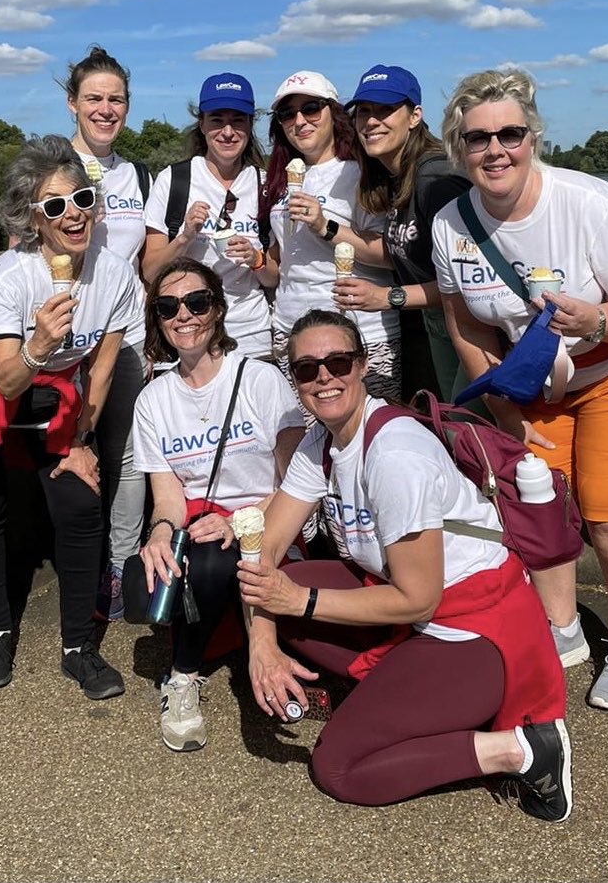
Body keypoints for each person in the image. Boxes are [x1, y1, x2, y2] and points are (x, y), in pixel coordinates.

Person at [237, 310, 572, 820]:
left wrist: (297, 601)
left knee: (339, 769)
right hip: (411, 611)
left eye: (337, 362)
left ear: (363, 364)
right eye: (307, 369)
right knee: (284, 586)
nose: (324, 377)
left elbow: (419, 597)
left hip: (473, 630)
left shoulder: (395, 456)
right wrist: (262, 646)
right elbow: (268, 552)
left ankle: (521, 748)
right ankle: (395, 694)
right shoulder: (321, 441)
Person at [432, 69, 608, 709]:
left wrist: (596, 318)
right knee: (535, 497)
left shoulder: (591, 203)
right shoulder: (450, 224)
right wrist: (498, 400)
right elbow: (462, 320)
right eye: (478, 139)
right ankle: (563, 630)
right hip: (537, 385)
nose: (495, 150)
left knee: (606, 506)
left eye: (510, 134)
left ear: (533, 136)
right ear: (458, 149)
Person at [0, 135, 137, 699]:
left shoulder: (116, 273)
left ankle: (79, 647)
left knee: (79, 510)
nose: (72, 215)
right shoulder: (9, 276)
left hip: (58, 410)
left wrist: (83, 439)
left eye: (80, 200)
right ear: (33, 217)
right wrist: (41, 343)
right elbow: (5, 379)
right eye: (54, 206)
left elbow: (100, 370)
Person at [131, 258, 305, 751]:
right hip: (200, 524)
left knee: (211, 561)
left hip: (270, 517)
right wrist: (160, 534)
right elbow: (166, 498)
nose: (183, 316)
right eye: (168, 307)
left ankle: (197, 662)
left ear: (219, 309)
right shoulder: (153, 400)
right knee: (186, 558)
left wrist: (242, 522)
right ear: (158, 321)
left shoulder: (260, 380)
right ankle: (181, 677)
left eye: (196, 302)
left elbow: (295, 478)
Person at [63, 45, 147, 622]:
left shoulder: (136, 172)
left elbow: (144, 258)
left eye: (115, 99)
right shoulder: (48, 163)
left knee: (130, 456)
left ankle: (119, 571)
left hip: (132, 332)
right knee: (74, 450)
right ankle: (76, 567)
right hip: (68, 335)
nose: (105, 108)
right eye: (94, 97)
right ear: (72, 104)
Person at [261, 69, 401, 400]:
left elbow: (390, 255)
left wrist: (325, 226)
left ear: (333, 113)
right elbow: (282, 261)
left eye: (311, 108)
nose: (299, 120)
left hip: (358, 329)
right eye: (287, 113)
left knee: (372, 433)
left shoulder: (361, 172)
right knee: (306, 442)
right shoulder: (278, 180)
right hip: (290, 328)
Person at [343, 64, 473, 403]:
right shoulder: (392, 178)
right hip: (432, 330)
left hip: (470, 333)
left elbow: (468, 282)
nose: (371, 121)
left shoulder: (436, 179)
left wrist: (386, 297)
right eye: (364, 112)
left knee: (469, 432)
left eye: (385, 110)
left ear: (414, 116)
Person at [142, 73, 274, 359]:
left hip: (252, 338)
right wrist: (185, 237)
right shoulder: (175, 180)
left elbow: (275, 277)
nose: (227, 131)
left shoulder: (265, 185)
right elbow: (150, 272)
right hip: (188, 337)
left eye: (238, 120)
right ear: (201, 123)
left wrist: (256, 259)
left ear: (251, 124)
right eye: (217, 120)